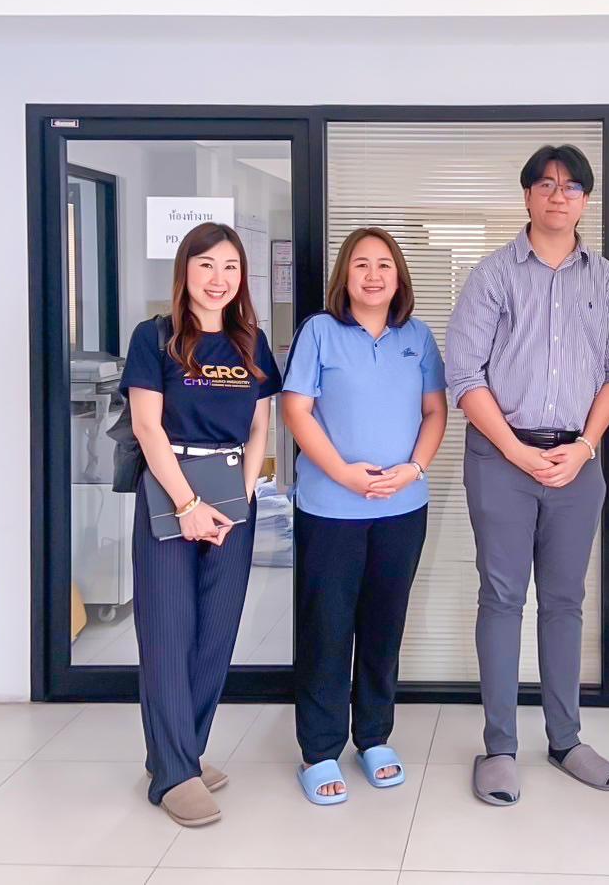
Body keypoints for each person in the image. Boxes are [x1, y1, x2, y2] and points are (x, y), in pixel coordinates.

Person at [446, 143, 609, 806]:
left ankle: (565, 740)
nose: (559, 195)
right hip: (502, 459)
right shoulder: (492, 276)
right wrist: (516, 451)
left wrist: (584, 446)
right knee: (502, 598)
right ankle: (499, 747)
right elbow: (463, 375)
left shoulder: (604, 281)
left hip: (577, 461)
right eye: (546, 184)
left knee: (565, 601)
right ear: (527, 195)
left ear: (585, 200)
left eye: (571, 186)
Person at [121, 221, 280, 827]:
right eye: (207, 265)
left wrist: (241, 498)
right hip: (171, 493)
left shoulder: (250, 342)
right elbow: (147, 426)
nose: (219, 279)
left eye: (230, 267)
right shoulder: (155, 338)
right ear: (185, 271)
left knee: (215, 634)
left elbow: (261, 426)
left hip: (231, 496)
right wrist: (188, 506)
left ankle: (179, 754)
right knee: (168, 633)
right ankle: (173, 774)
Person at [281, 227, 447, 805]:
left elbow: (435, 411)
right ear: (344, 276)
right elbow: (296, 410)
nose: (373, 275)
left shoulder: (417, 337)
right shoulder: (319, 333)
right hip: (331, 508)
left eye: (384, 265)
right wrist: (343, 473)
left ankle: (373, 736)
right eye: (361, 265)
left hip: (402, 509)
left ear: (399, 276)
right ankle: (320, 749)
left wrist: (415, 469)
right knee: (327, 628)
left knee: (383, 626)